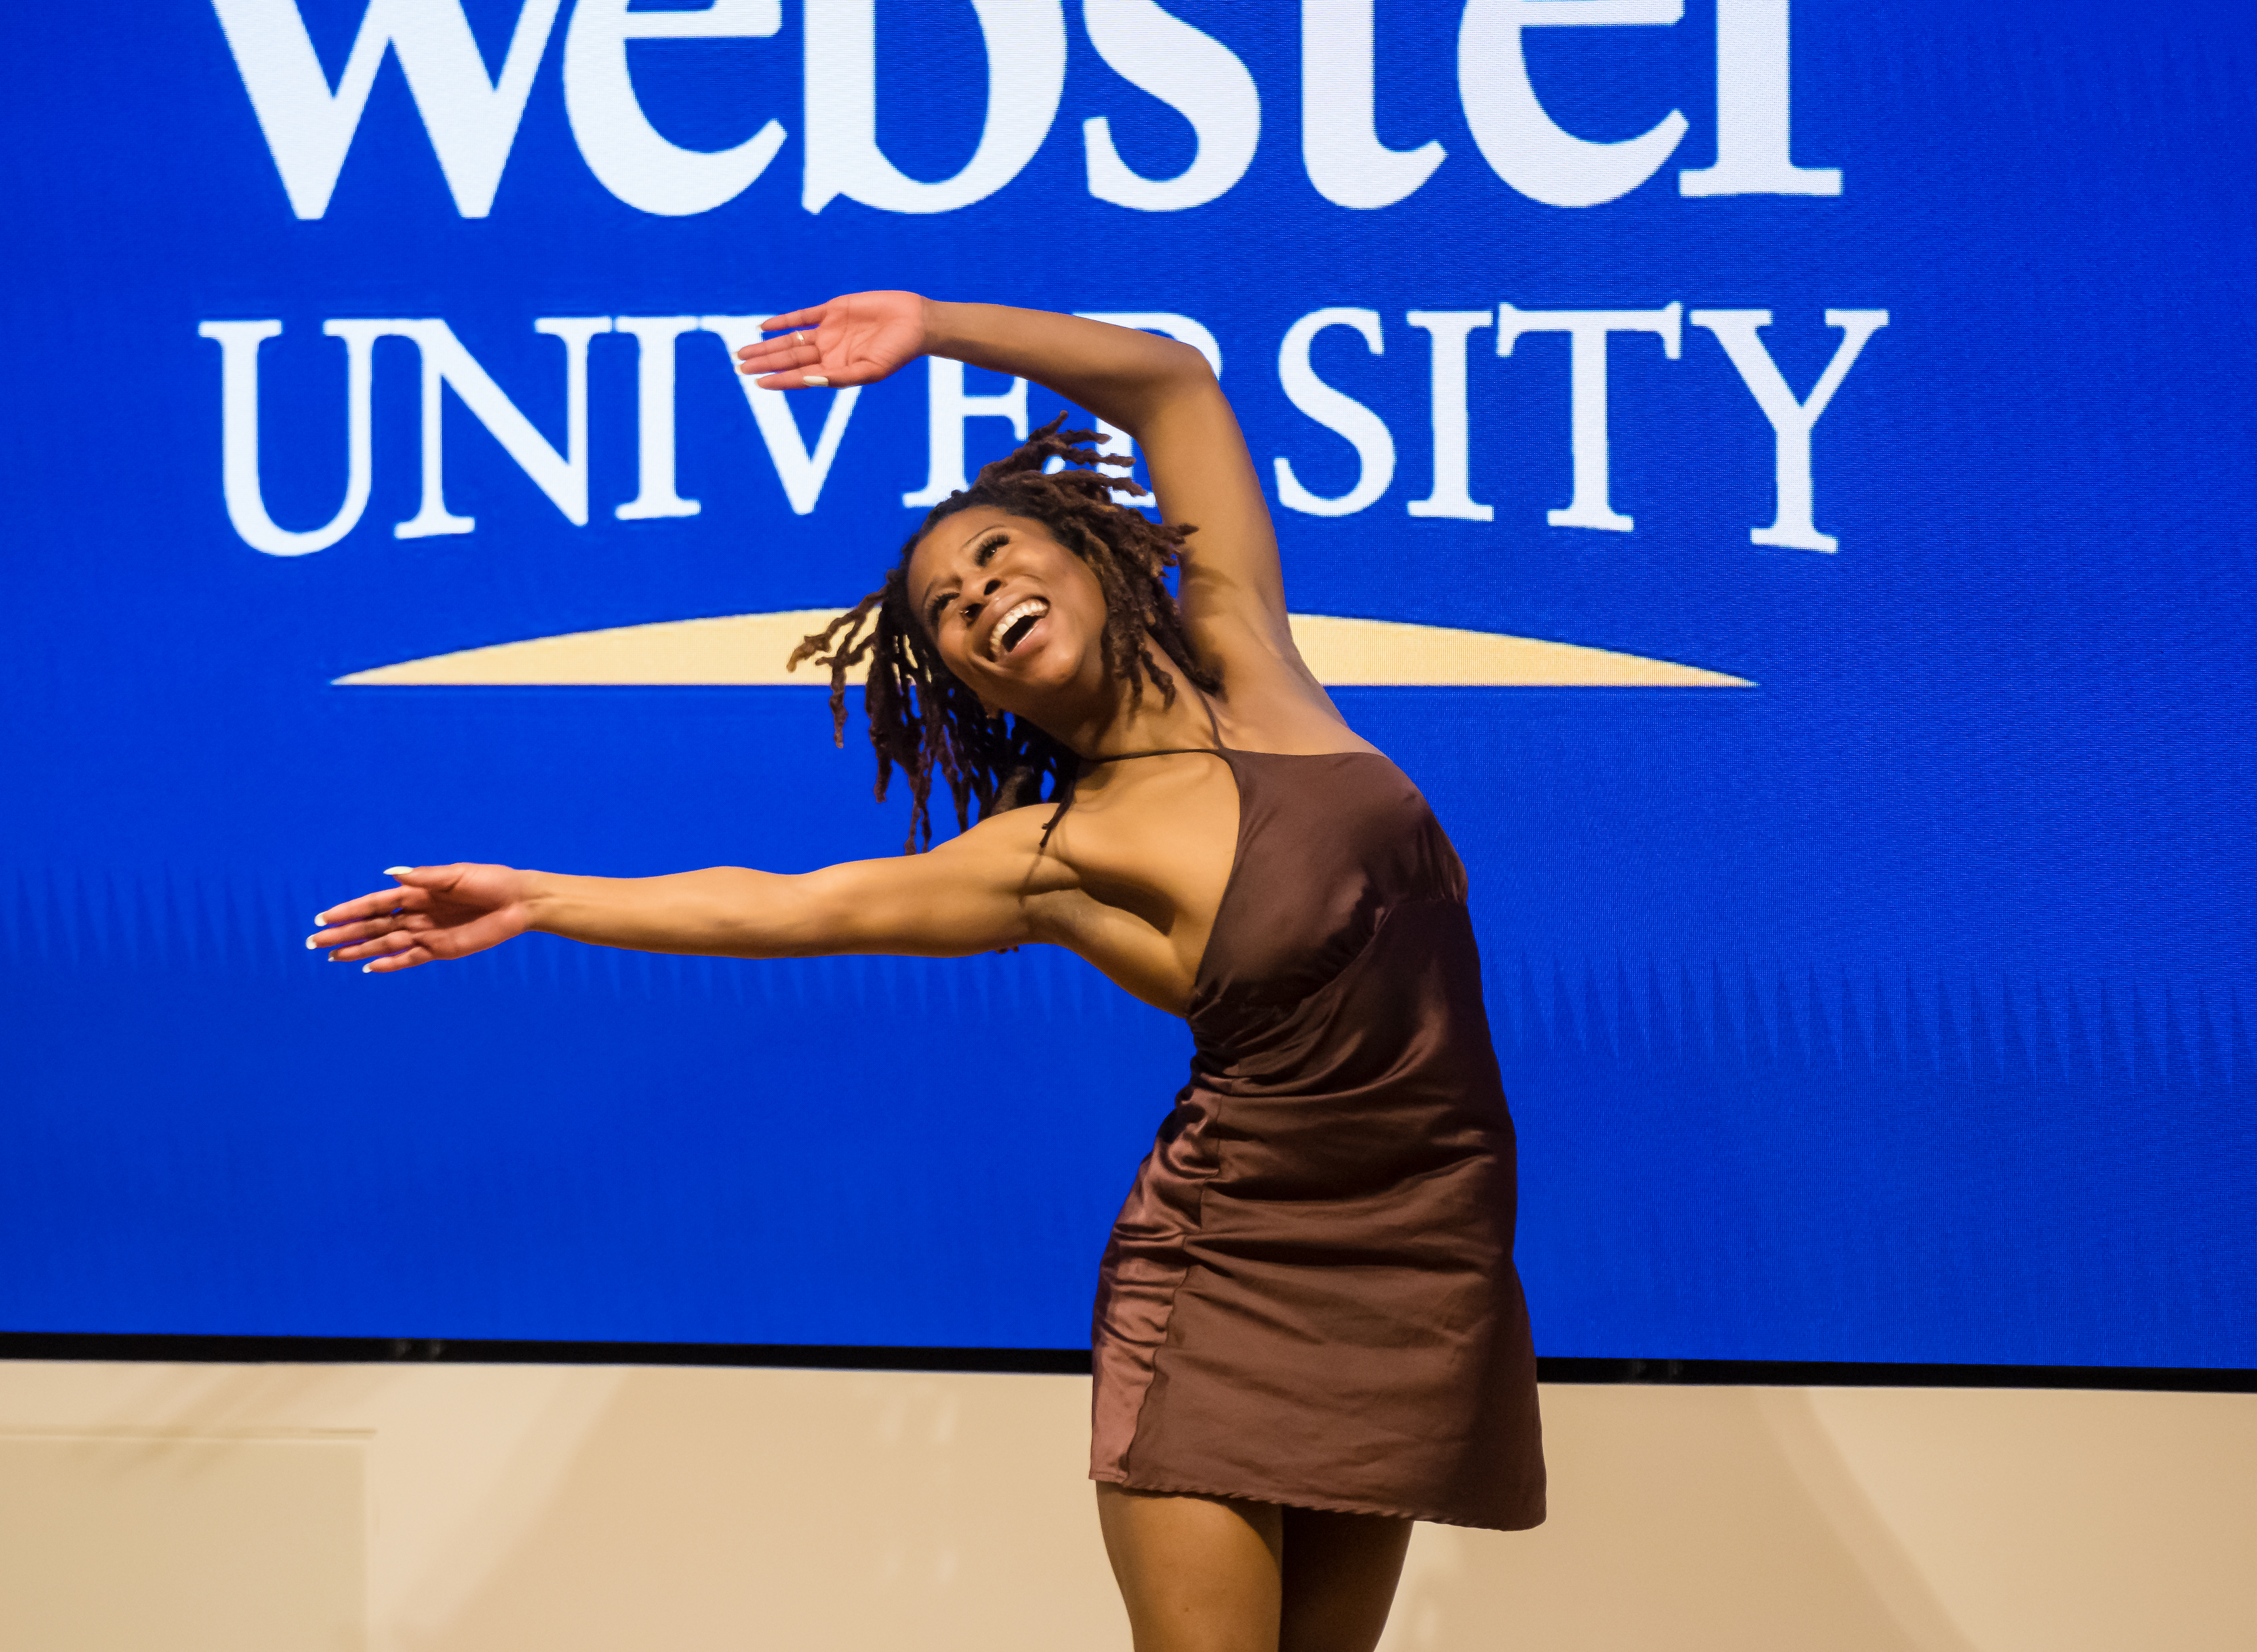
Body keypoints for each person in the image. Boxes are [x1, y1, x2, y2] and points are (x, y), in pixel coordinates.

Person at [307, 293, 1544, 1652]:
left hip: (1424, 1261)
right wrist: (543, 897)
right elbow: (779, 911)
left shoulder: (1252, 655)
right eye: (948, 610)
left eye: (999, 556)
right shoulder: (1054, 852)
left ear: (1094, 557)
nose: (977, 597)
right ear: (970, 683)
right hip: (1235, 1272)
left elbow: (1175, 387)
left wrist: (936, 324)